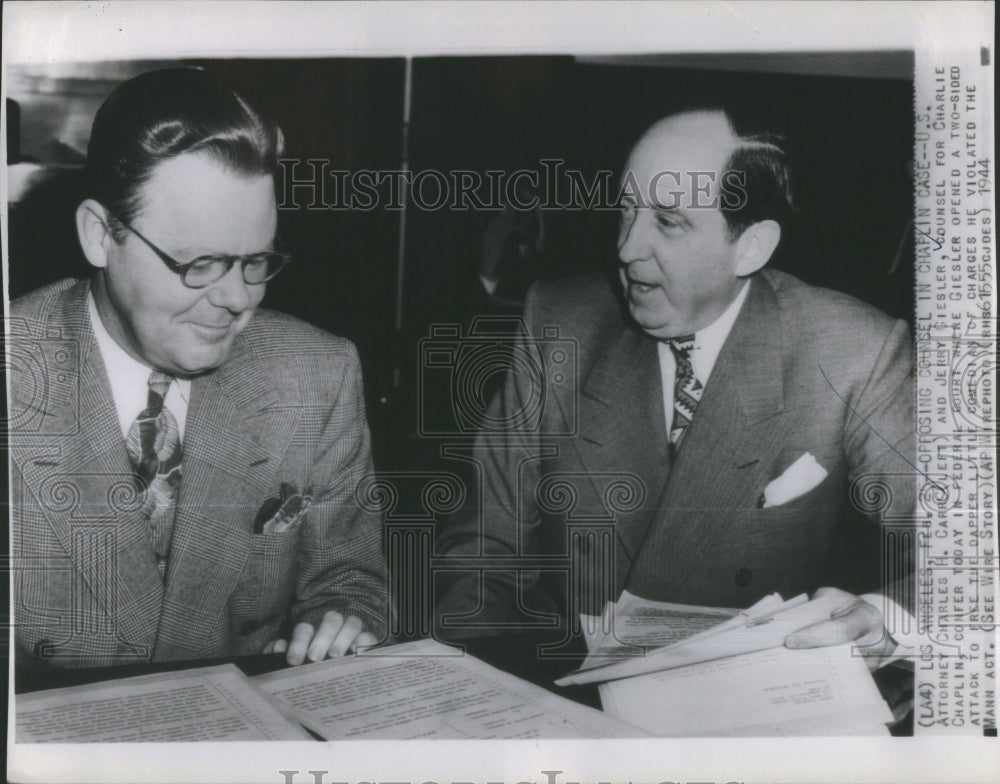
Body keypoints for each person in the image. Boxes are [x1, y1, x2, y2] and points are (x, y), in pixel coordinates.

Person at [435, 108, 916, 663]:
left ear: (750, 247)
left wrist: (886, 616)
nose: (627, 248)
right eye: (626, 210)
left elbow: (968, 549)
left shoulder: (852, 351)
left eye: (668, 222)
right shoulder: (558, 324)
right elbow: (481, 552)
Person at [9, 68, 389, 671]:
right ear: (100, 235)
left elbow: (350, 579)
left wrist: (335, 621)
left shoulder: (317, 374)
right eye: (201, 263)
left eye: (256, 260)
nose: (238, 298)